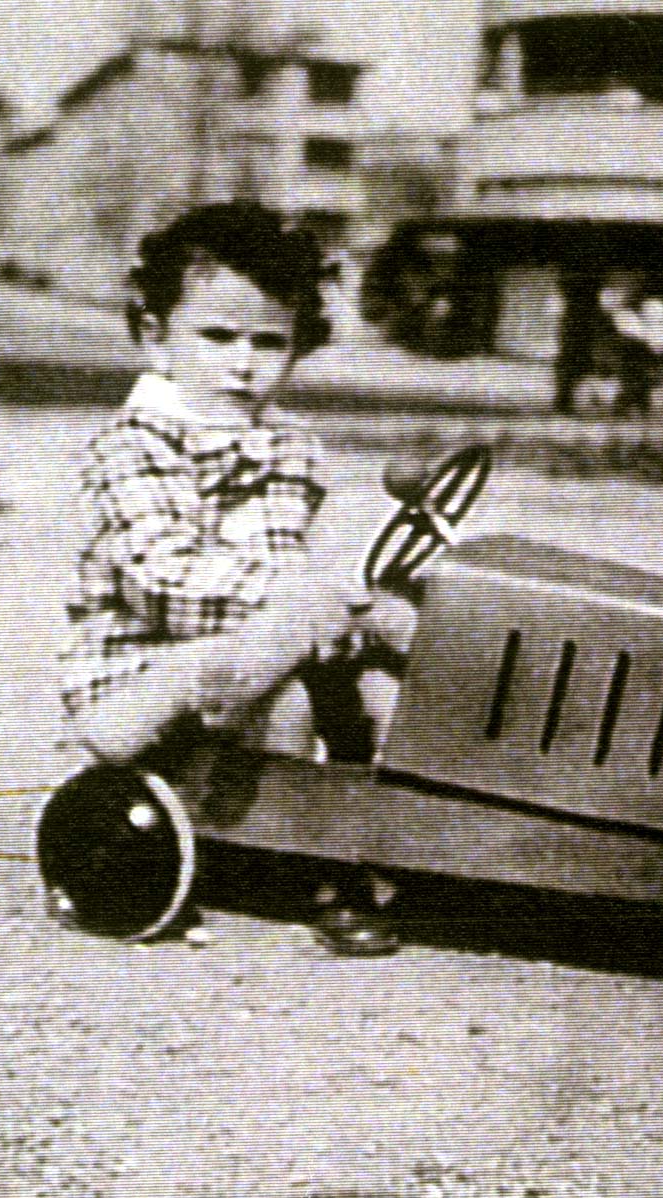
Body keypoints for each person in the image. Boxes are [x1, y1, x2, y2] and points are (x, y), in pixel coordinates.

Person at [58, 202, 408, 954]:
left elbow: (292, 558)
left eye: (270, 342)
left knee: (381, 686)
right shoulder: (132, 446)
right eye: (216, 336)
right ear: (156, 335)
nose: (243, 363)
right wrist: (299, 605)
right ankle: (296, 861)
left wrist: (342, 611)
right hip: (148, 665)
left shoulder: (289, 448)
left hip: (265, 644)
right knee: (285, 694)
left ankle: (382, 838)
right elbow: (160, 577)